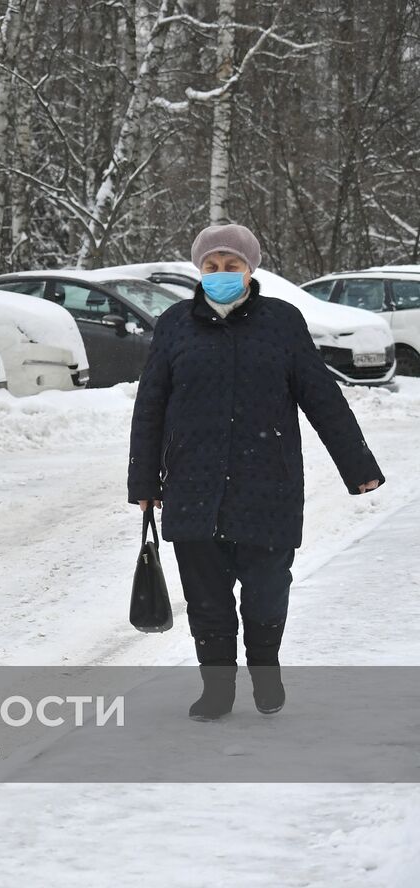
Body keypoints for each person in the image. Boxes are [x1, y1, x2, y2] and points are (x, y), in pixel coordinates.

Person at [127, 223, 384, 720]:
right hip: (193, 484)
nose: (221, 275)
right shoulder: (175, 325)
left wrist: (358, 466)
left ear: (251, 269)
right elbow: (151, 405)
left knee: (267, 593)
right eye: (211, 267)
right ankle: (217, 688)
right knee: (206, 600)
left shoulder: (282, 322)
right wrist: (144, 482)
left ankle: (265, 670)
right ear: (198, 271)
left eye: (232, 266)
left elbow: (320, 396)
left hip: (269, 483)